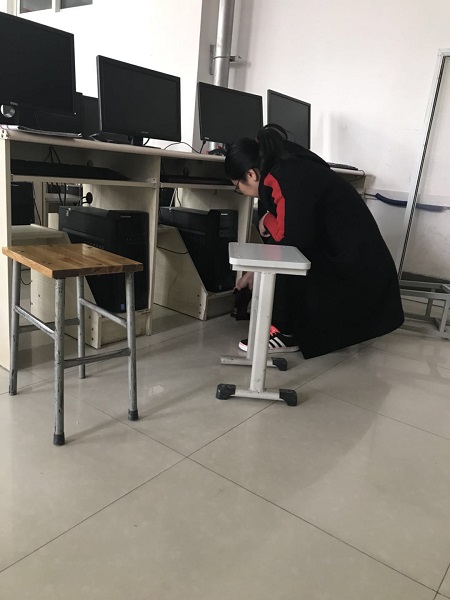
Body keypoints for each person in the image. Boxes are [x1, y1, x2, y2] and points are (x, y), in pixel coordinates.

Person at [225, 125, 404, 359]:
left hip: (353, 265)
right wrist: (255, 270)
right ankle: (286, 327)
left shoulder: (283, 177)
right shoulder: (289, 165)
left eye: (238, 187)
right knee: (281, 245)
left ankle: (285, 333)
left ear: (251, 175)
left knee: (288, 253)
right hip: (357, 256)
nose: (242, 191)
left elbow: (292, 239)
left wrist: (267, 220)